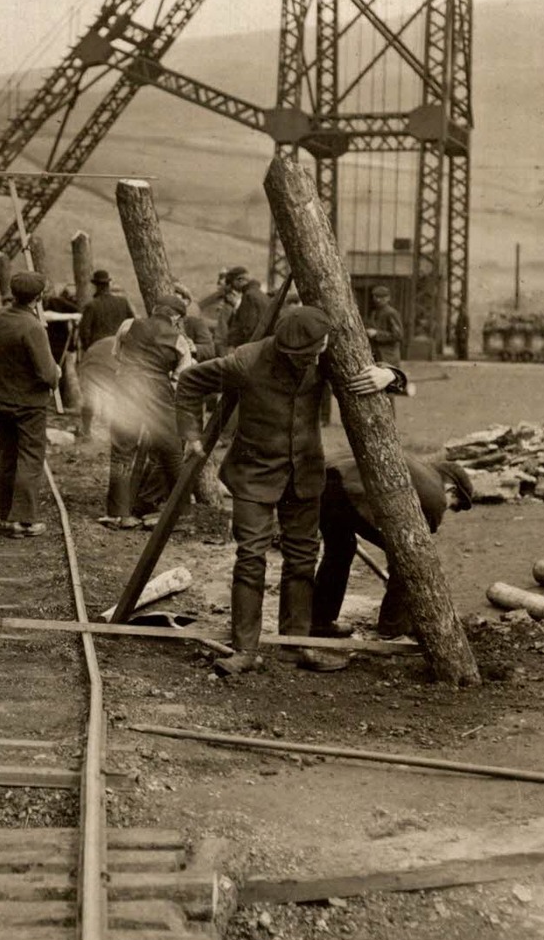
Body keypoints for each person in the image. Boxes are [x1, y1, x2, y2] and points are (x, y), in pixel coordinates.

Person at [175, 306, 409, 675]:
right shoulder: (246, 362)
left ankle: (295, 645)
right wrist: (190, 435)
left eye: (318, 352)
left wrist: (389, 374)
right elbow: (189, 383)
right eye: (306, 356)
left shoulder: (324, 355)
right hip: (254, 474)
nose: (314, 360)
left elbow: (374, 375)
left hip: (304, 474)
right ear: (285, 351)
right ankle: (245, 649)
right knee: (251, 557)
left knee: (302, 558)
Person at [301, 452, 474, 641]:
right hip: (349, 490)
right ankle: (392, 630)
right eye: (453, 506)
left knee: (341, 549)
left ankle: (319, 622)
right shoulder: (436, 496)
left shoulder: (419, 468)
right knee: (410, 559)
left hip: (325, 480)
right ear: (451, 490)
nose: (447, 509)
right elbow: (412, 545)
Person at [101, 294, 193, 529]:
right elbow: (181, 375)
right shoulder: (180, 340)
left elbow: (116, 355)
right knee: (172, 452)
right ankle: (181, 514)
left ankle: (118, 514)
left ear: (155, 309)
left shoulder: (129, 324)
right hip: (158, 393)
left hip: (126, 387)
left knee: (121, 451)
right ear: (175, 316)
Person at [0, 270, 60, 538]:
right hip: (28, 404)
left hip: (0, 398)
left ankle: (5, 517)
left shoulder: (0, 317)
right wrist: (57, 372)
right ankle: (24, 521)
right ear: (39, 297)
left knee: (6, 455)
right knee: (29, 457)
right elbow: (47, 373)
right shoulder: (32, 327)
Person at [76, 270, 134, 440]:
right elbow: (133, 324)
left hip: (97, 351)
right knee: (119, 390)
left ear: (96, 285)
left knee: (91, 391)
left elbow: (84, 333)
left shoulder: (91, 306)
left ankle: (86, 430)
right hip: (119, 352)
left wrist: (91, 349)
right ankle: (118, 431)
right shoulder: (122, 303)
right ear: (108, 284)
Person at [225, 267, 271, 349]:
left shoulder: (249, 296)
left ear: (240, 280)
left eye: (232, 285)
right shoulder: (260, 294)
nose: (233, 290)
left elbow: (249, 327)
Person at [365, 285, 405, 364]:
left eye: (382, 297)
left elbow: (398, 335)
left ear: (388, 298)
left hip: (388, 356)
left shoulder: (391, 313)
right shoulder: (374, 313)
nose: (378, 300)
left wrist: (377, 333)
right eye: (375, 297)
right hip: (376, 354)